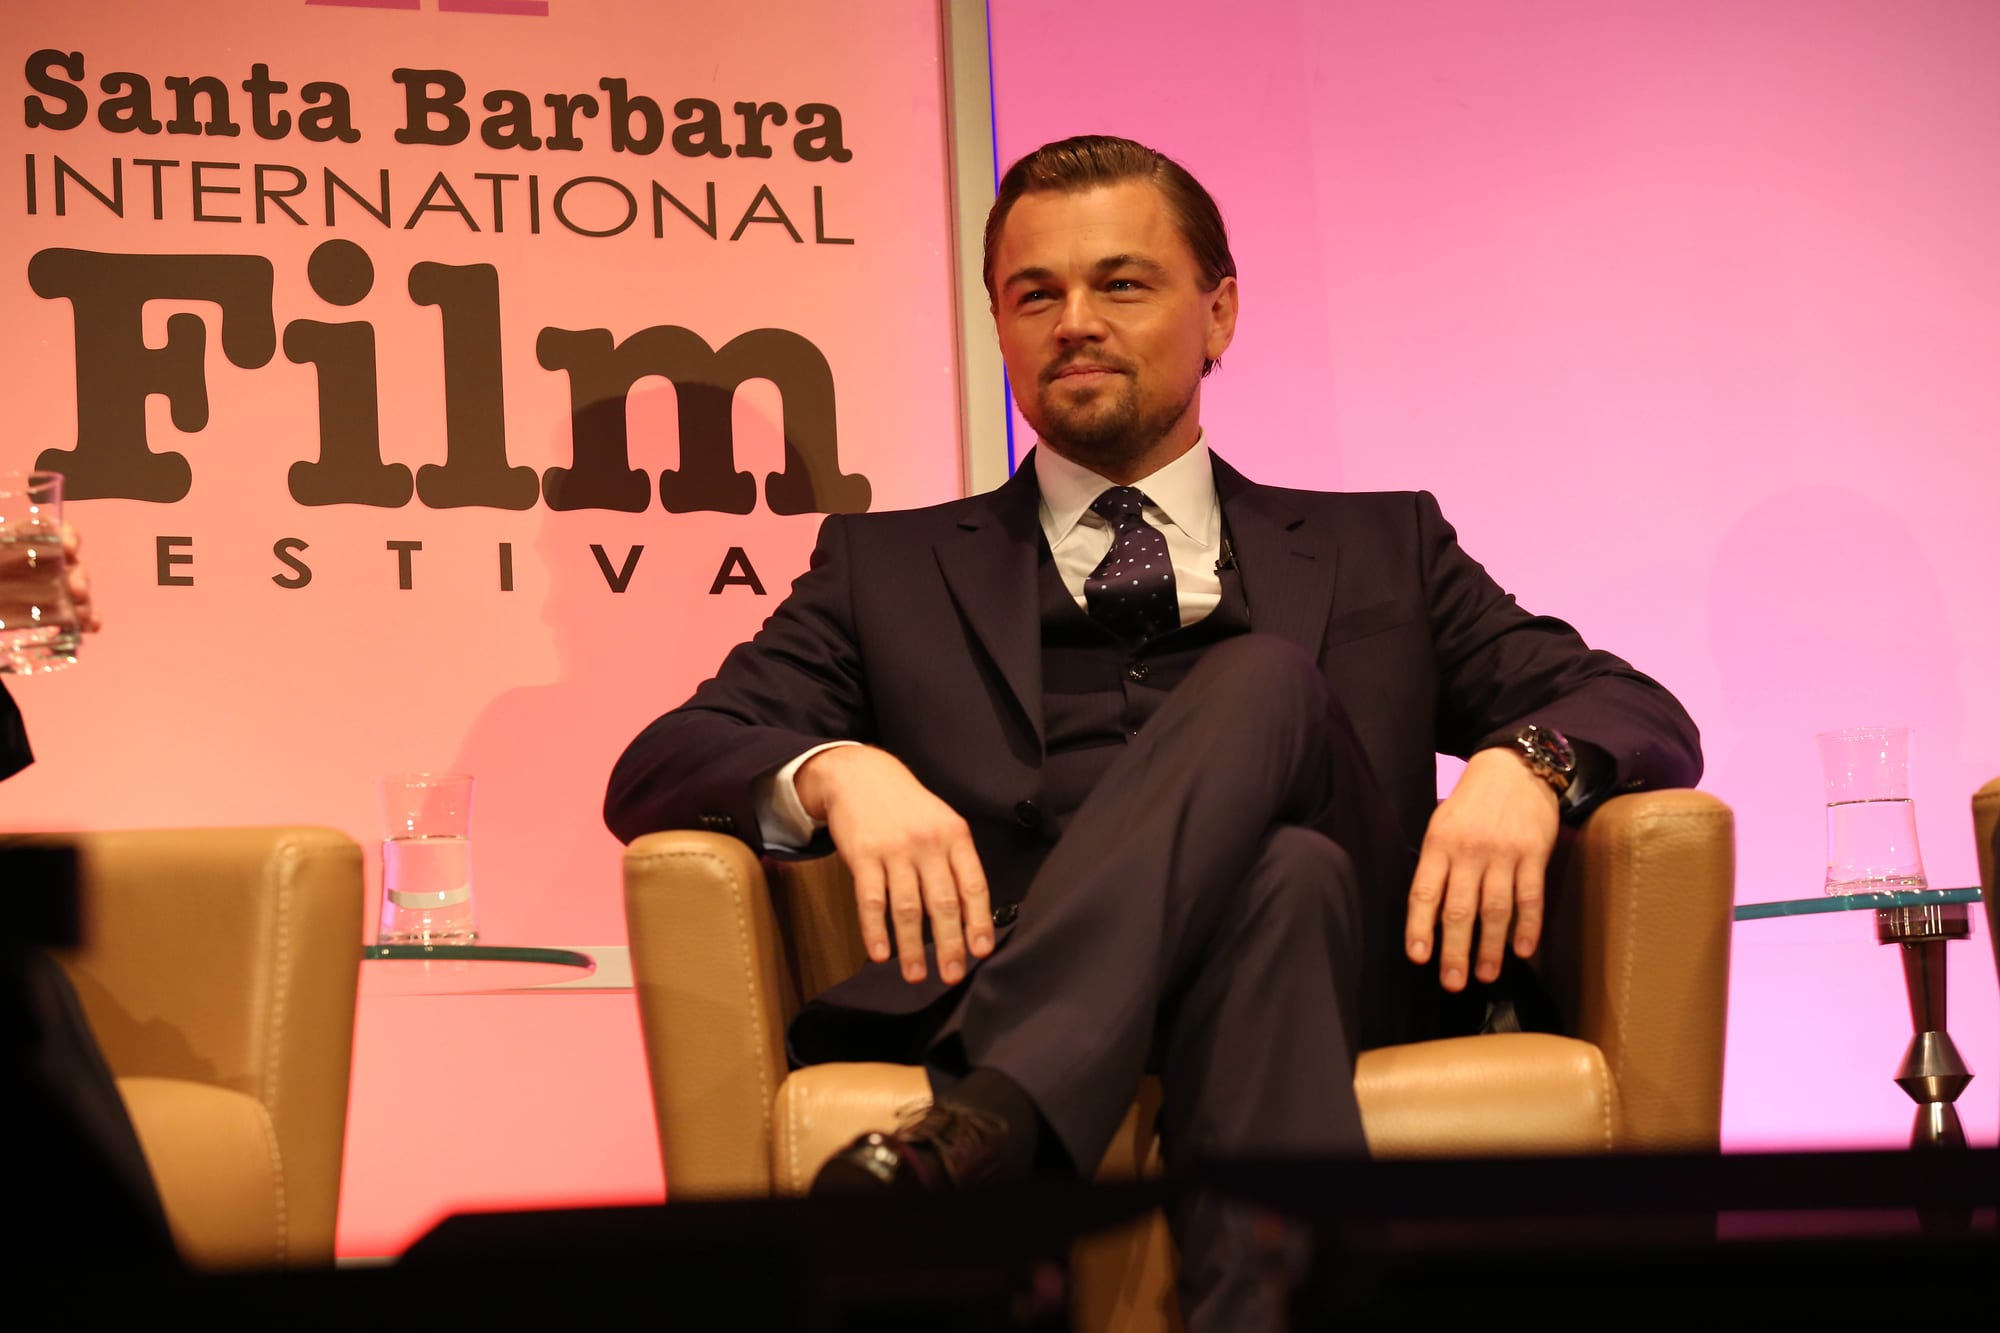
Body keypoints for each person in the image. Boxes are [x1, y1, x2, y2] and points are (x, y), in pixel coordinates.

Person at [604, 135, 1701, 1329]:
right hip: (1183, 935)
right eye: (1035, 293)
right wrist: (835, 769)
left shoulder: (1380, 543)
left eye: (1120, 283)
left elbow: (1636, 709)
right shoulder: (888, 568)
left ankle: (993, 1112)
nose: (1073, 320)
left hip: (1360, 972)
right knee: (1277, 872)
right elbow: (661, 760)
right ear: (1000, 326)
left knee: (1263, 681)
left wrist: (1525, 766)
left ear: (1217, 312)